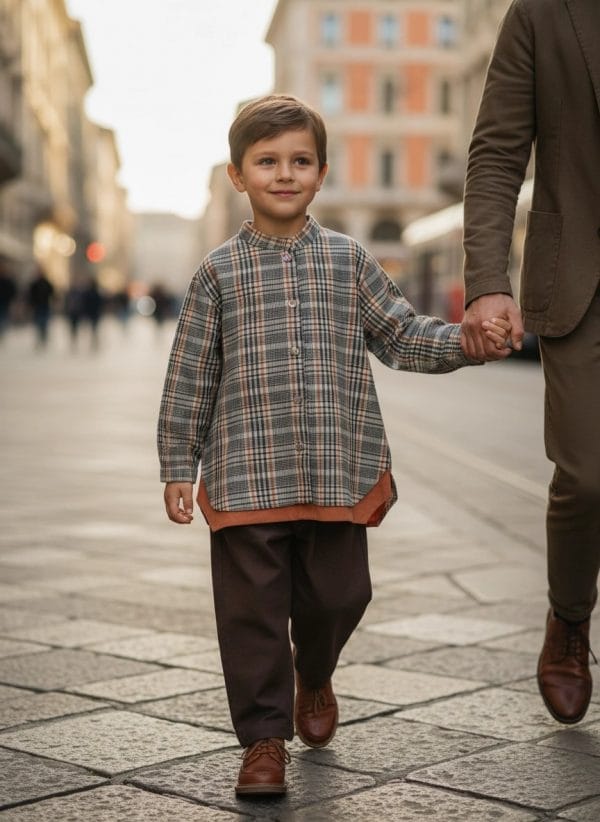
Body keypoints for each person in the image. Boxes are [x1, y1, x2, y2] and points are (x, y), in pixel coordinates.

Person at [158, 94, 511, 796]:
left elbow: (404, 336)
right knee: (250, 614)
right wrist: (177, 463)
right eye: (267, 162)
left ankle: (313, 671)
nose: (283, 174)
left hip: (336, 469)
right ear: (238, 175)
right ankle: (263, 739)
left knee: (340, 596)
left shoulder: (350, 261)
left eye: (299, 161)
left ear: (321, 173)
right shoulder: (216, 273)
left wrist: (466, 344)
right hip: (244, 474)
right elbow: (189, 373)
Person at [460, 0, 600, 725]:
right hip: (584, 277)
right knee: (586, 473)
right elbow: (496, 153)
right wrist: (487, 280)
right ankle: (570, 619)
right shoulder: (542, 12)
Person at [26, 264, 54, 349]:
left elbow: (52, 293)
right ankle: (39, 340)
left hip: (45, 306)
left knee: (44, 324)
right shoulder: (34, 284)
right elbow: (30, 295)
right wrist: (30, 305)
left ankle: (43, 339)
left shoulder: (47, 283)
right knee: (38, 324)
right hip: (37, 307)